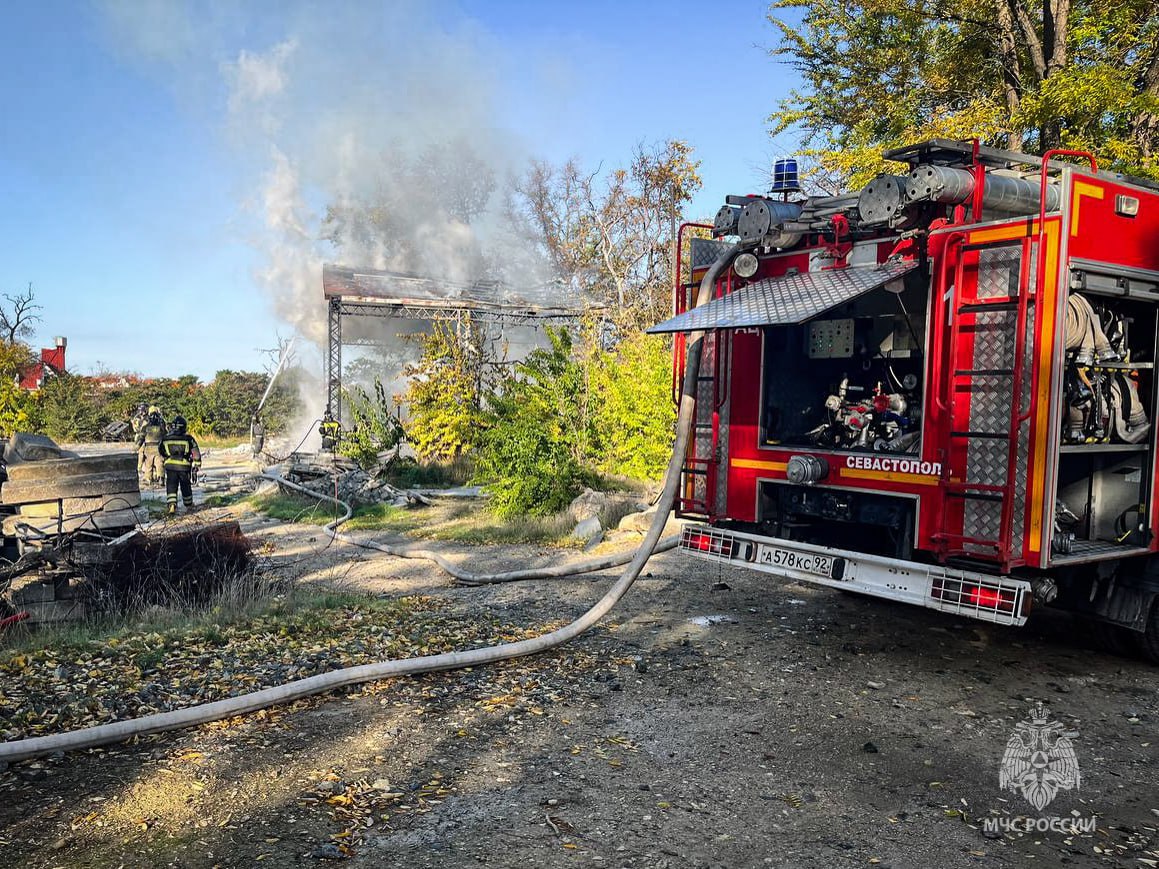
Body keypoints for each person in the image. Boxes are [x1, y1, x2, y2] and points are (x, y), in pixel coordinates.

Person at [158, 415, 201, 516]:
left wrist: (167, 458)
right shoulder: (188, 439)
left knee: (171, 486)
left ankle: (172, 505)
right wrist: (196, 467)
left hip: (170, 466)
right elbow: (196, 454)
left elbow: (161, 451)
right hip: (184, 466)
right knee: (185, 486)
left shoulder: (165, 438)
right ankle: (189, 506)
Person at [136, 406, 166, 485]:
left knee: (148, 465)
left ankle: (149, 479)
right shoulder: (161, 426)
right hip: (158, 448)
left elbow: (141, 438)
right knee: (160, 463)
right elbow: (165, 435)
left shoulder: (146, 427)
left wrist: (137, 447)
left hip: (148, 449)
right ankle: (161, 478)